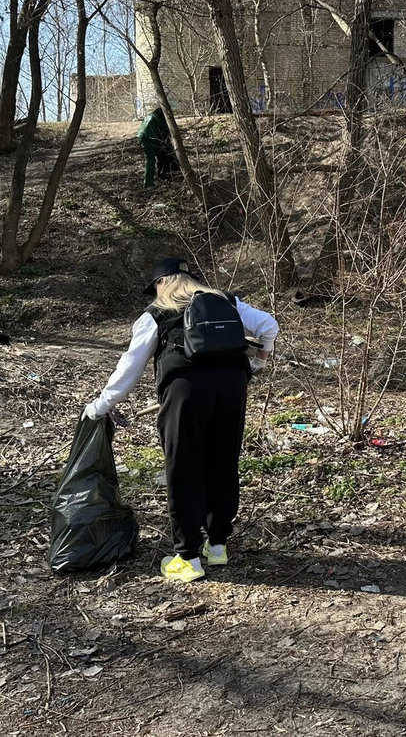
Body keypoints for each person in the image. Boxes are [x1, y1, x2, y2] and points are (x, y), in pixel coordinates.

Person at [82, 258, 279, 583]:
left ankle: (187, 557)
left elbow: (129, 368)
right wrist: (258, 363)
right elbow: (269, 326)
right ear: (189, 278)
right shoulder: (225, 300)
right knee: (223, 461)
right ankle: (217, 546)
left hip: (186, 391)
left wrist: (101, 405)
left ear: (161, 284)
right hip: (232, 388)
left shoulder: (156, 314)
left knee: (184, 467)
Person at [136, 107, 179, 188]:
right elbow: (167, 130)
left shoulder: (150, 115)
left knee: (160, 155)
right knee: (151, 160)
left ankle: (160, 174)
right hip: (149, 139)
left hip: (142, 137)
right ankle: (148, 183)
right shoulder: (159, 118)